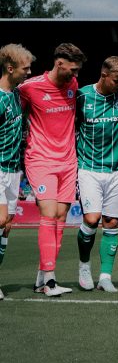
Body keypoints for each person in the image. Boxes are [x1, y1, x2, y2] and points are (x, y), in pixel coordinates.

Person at [21, 43, 83, 297]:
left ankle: (41, 277)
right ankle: (50, 281)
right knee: (48, 214)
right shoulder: (29, 88)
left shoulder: (73, 86)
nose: (76, 75)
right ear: (59, 63)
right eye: (73, 69)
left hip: (68, 162)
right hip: (40, 159)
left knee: (59, 218)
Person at [75, 56, 118, 293]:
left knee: (111, 222)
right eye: (116, 81)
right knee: (91, 219)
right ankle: (83, 266)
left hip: (117, 169)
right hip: (88, 168)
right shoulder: (82, 96)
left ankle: (105, 276)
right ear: (104, 75)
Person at [0, 44, 33, 300]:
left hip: (14, 170)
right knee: (0, 220)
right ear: (10, 69)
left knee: (7, 226)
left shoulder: (17, 95)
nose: (28, 72)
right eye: (25, 68)